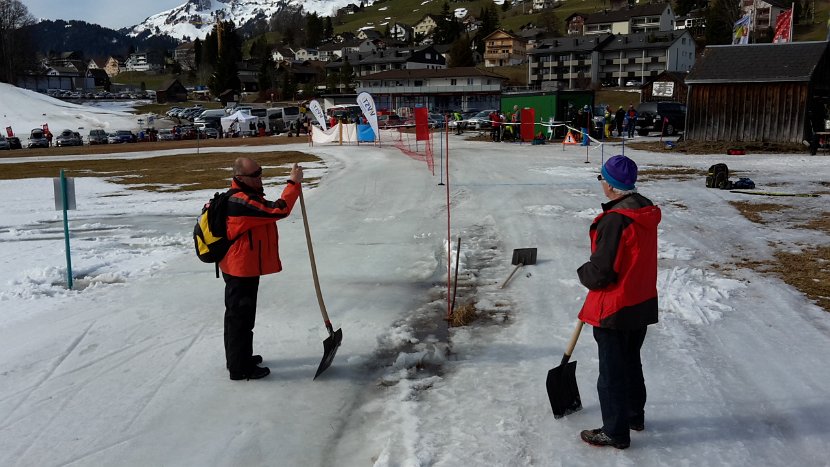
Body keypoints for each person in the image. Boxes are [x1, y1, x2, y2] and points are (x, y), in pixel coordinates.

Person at [577, 155, 661, 449]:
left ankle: (615, 431)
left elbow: (601, 272)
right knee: (630, 362)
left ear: (611, 187)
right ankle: (633, 415)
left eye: (601, 178)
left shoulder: (615, 221)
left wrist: (583, 273)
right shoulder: (644, 208)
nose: (601, 184)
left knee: (611, 373)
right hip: (640, 300)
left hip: (616, 306)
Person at [220, 158, 304, 381]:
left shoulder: (247, 196)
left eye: (260, 172)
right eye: (255, 174)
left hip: (242, 266)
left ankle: (240, 358)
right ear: (241, 178)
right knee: (240, 319)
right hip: (240, 269)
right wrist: (293, 184)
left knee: (240, 317)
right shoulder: (241, 202)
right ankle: (240, 368)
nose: (260, 177)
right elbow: (277, 210)